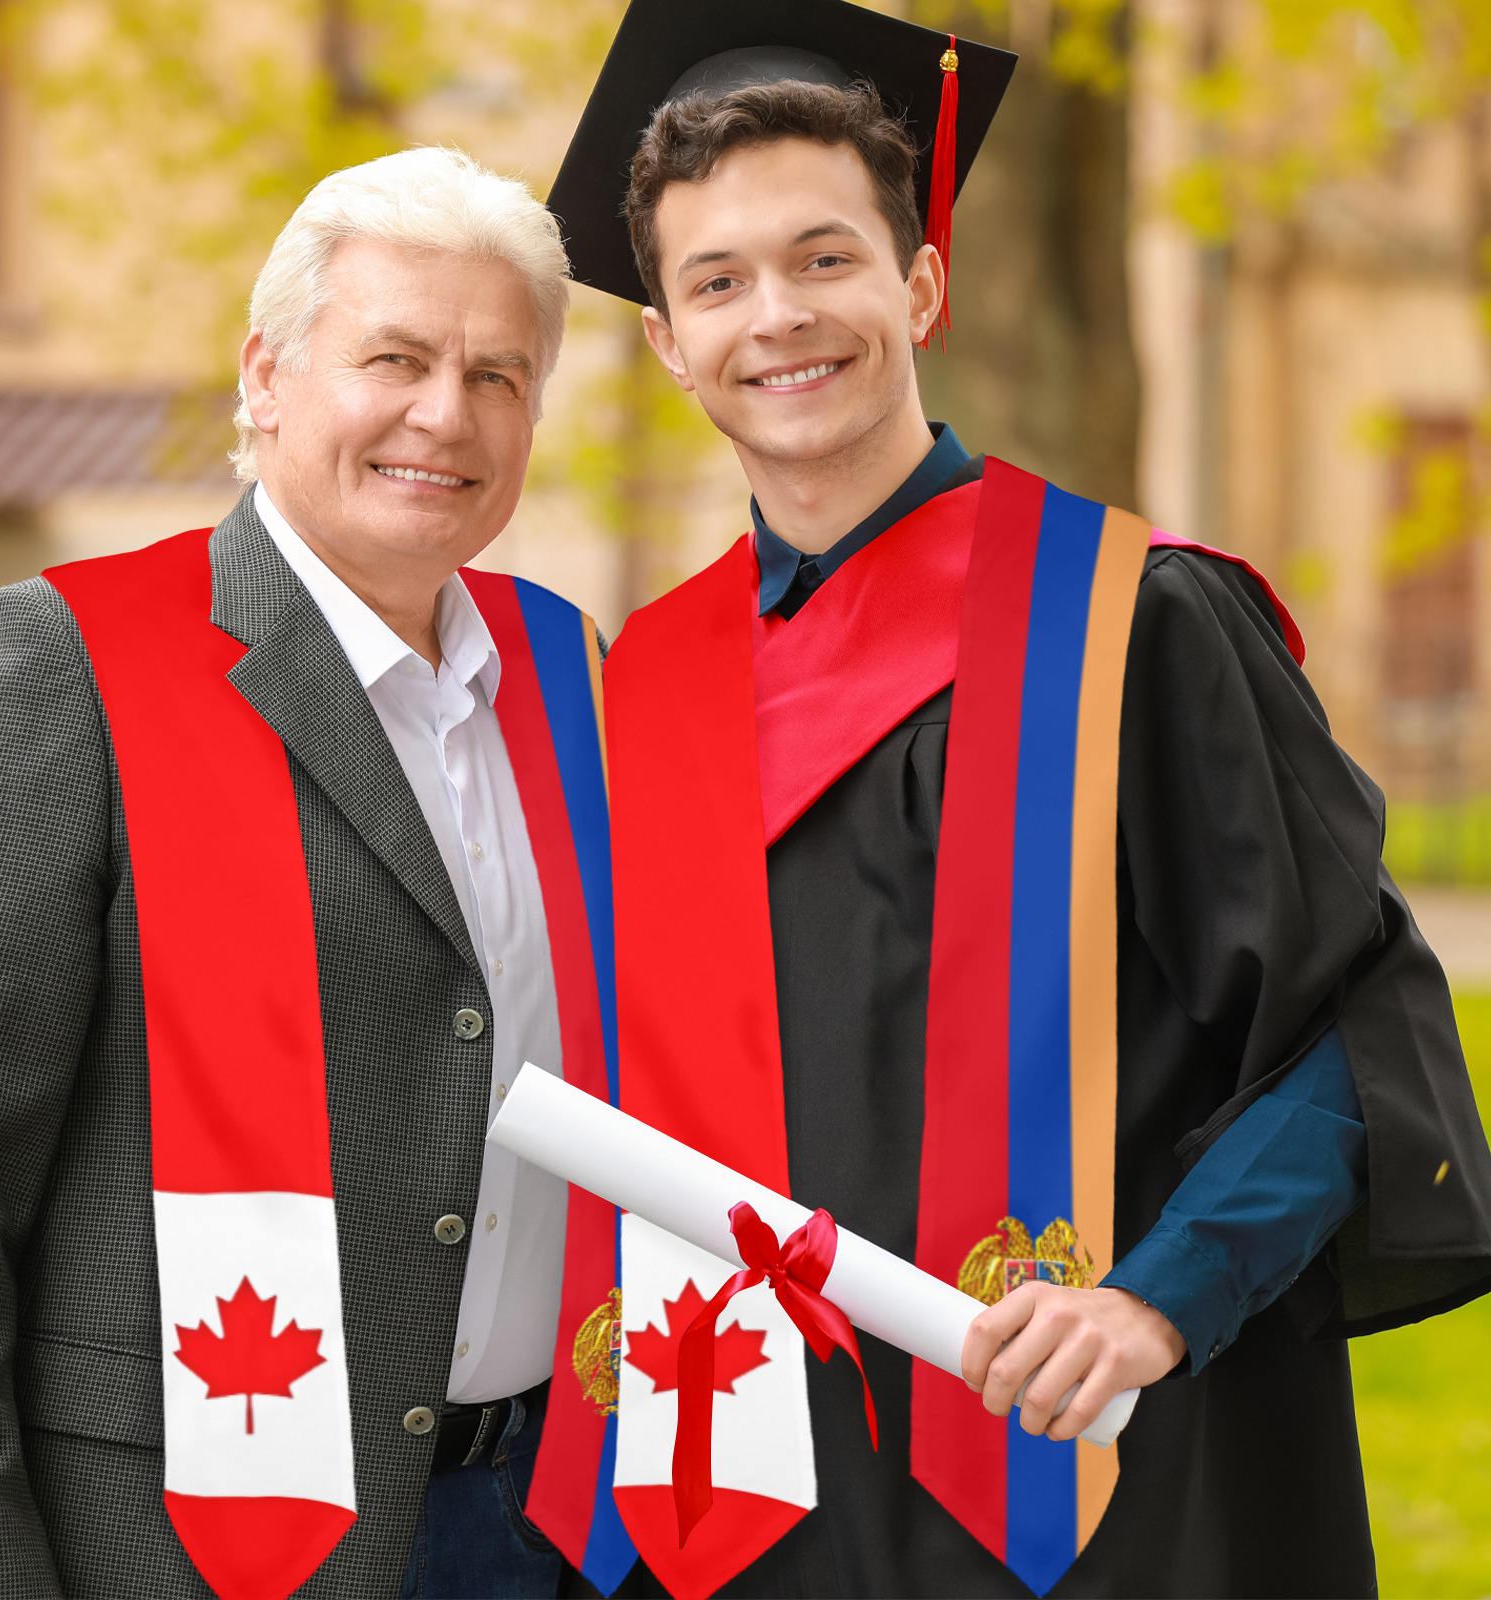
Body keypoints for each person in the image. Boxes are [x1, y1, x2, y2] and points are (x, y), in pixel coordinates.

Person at [536, 2, 1491, 1595]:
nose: (777, 316)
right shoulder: (646, 689)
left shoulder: (1134, 622)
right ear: (666, 342)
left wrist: (1161, 1298)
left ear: (920, 281)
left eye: (826, 257)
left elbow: (1354, 1032)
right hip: (757, 1510)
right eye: (716, 282)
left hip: (1095, 1471)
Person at [0, 146, 627, 1600]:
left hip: (540, 1526)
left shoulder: (570, 678)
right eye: (396, 357)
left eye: (498, 376)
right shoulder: (76, 662)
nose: (445, 413)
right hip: (178, 1543)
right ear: (268, 377)